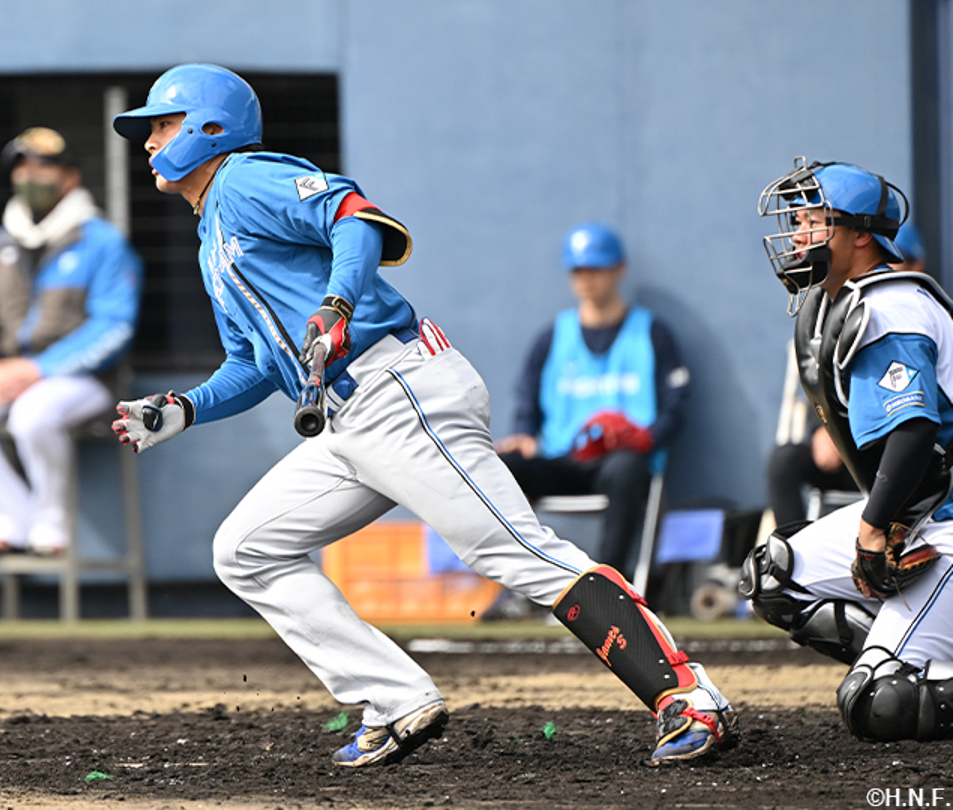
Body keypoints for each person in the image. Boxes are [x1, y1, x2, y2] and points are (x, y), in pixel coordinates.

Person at [110, 63, 737, 767]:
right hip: (349, 419)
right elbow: (254, 364)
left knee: (515, 550)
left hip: (396, 388)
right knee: (246, 549)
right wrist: (186, 408)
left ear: (209, 128)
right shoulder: (211, 238)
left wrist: (338, 305)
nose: (149, 142)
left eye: (162, 125)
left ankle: (687, 695)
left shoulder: (244, 179)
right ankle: (394, 698)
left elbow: (354, 218)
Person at [743, 158, 953, 742]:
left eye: (814, 220)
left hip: (945, 522)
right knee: (774, 577)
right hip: (921, 513)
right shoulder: (835, 302)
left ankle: (901, 666)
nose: (798, 234)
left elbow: (914, 432)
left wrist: (872, 527)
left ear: (860, 235)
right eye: (797, 221)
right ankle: (910, 650)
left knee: (878, 704)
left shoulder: (892, 306)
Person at [0, 127, 142, 556]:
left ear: (70, 177)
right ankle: (12, 513)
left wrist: (41, 369)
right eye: (21, 168)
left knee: (32, 413)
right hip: (9, 374)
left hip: (85, 380)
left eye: (42, 167)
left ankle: (51, 522)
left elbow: (115, 327)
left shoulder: (102, 241)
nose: (29, 176)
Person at [494, 223, 689, 576]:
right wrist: (524, 433)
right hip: (562, 459)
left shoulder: (652, 333)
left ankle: (607, 583)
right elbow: (527, 398)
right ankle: (519, 581)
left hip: (621, 463)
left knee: (626, 469)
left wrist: (649, 437)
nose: (586, 279)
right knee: (503, 466)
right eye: (578, 270)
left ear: (619, 269)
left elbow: (675, 406)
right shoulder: (552, 337)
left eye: (596, 268)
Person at [765, 221, 925, 529]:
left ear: (916, 265)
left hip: (900, 462)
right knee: (784, 460)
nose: (886, 269)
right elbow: (829, 383)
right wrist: (822, 429)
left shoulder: (918, 318)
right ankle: (795, 549)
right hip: (851, 452)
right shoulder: (844, 310)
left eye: (894, 260)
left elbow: (914, 417)